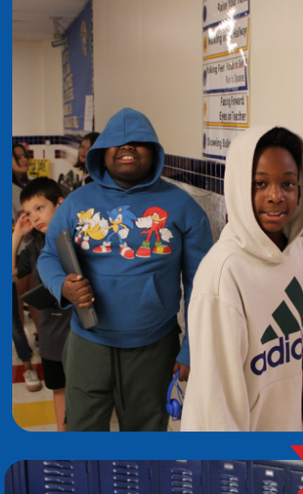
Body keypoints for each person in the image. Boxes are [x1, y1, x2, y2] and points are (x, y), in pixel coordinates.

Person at [35, 107, 214, 431]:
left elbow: (203, 288)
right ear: (101, 154)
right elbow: (48, 256)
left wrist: (191, 350)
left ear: (155, 152)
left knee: (145, 440)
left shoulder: (183, 207)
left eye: (138, 142)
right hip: (88, 342)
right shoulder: (76, 202)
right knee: (83, 435)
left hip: (154, 348)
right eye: (117, 142)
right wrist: (62, 286)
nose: (127, 148)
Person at [181, 126, 303, 431]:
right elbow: (215, 403)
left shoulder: (300, 254)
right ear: (239, 188)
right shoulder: (224, 272)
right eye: (260, 183)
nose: (275, 196)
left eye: (288, 183)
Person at [13, 178, 69, 425]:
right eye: (28, 212)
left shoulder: (79, 237)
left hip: (83, 331)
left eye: (39, 208)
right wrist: (17, 234)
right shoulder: (35, 245)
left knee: (88, 390)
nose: (34, 217)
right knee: (59, 389)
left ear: (60, 204)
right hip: (52, 333)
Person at [12, 143, 30, 219]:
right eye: (18, 157)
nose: (25, 159)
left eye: (25, 156)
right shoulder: (12, 189)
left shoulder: (21, 180)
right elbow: (26, 216)